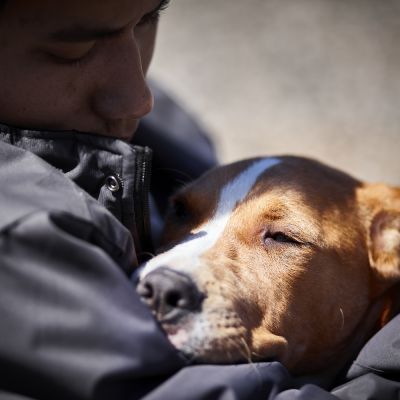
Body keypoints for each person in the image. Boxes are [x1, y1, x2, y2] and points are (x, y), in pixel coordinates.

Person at [0, 1, 399, 400]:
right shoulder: (19, 233)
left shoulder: (170, 142)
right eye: (74, 49)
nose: (168, 274)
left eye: (279, 237)